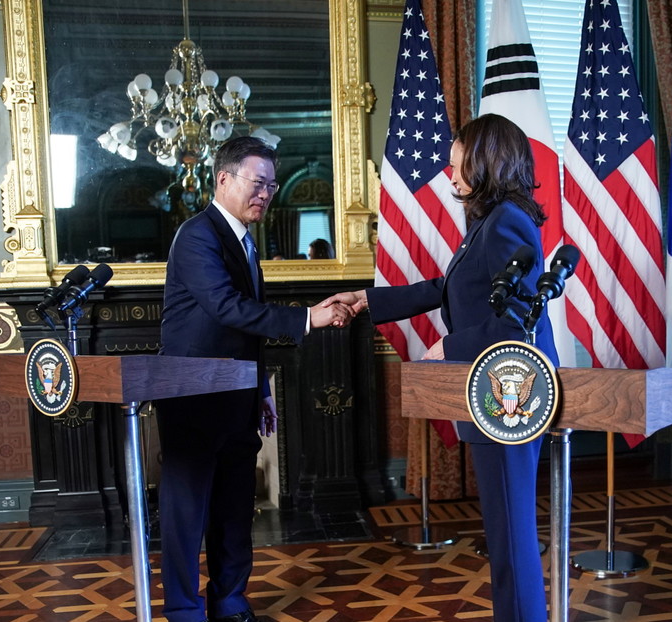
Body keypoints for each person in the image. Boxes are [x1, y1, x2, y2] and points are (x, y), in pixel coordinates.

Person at [327, 113, 556, 622]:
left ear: (486, 163)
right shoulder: (490, 222)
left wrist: (446, 348)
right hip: (497, 389)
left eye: (458, 167)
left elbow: (517, 323)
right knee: (503, 531)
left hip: (511, 393)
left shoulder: (506, 223)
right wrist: (367, 300)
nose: (451, 178)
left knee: (512, 531)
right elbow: (446, 288)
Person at [156, 136, 352, 622]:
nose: (266, 193)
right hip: (191, 396)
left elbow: (245, 331)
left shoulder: (246, 243)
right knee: (187, 515)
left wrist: (263, 388)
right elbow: (226, 308)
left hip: (239, 395)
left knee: (234, 510)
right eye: (257, 182)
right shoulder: (196, 235)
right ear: (223, 179)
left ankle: (230, 603)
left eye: (272, 184)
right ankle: (183, 611)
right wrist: (307, 318)